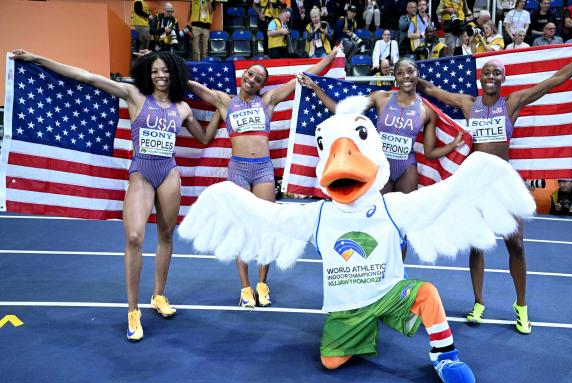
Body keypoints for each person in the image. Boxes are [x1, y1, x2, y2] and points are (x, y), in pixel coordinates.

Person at [10, 49, 220, 341]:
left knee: (166, 235)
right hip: (142, 173)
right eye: (155, 70)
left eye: (166, 71)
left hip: (169, 173)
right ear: (148, 72)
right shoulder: (134, 95)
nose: (160, 76)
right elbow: (86, 77)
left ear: (174, 73)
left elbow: (205, 138)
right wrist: (36, 60)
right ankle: (133, 310)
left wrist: (222, 109)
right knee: (134, 237)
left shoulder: (182, 108)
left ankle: (158, 296)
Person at [420, 42, 572, 334]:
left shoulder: (512, 103)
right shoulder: (467, 104)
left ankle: (521, 306)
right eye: (486, 72)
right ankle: (478, 303)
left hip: (503, 180)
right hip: (476, 181)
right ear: (480, 78)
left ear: (503, 78)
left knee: (517, 244)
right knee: (477, 244)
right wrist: (410, 78)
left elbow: (556, 79)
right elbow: (433, 91)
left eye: (496, 73)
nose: (490, 76)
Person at [187, 47, 342, 308]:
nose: (253, 80)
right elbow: (197, 88)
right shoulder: (226, 102)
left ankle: (262, 283)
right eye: (250, 74)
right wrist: (174, 69)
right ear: (243, 75)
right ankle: (245, 287)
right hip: (238, 168)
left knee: (267, 225)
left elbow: (301, 78)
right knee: (241, 228)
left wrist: (330, 57)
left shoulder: (267, 101)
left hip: (262, 169)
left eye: (258, 79)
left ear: (262, 84)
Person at [300, 57, 465, 196]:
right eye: (400, 73)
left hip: (407, 170)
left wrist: (452, 145)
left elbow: (430, 153)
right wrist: (315, 88)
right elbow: (341, 111)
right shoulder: (381, 98)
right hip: (379, 165)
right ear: (395, 78)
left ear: (417, 74)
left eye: (410, 71)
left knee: (403, 217)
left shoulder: (427, 111)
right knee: (380, 213)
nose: (406, 76)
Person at [333, 5, 360, 72]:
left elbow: (354, 34)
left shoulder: (354, 22)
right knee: (349, 43)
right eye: (351, 11)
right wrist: (347, 35)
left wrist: (352, 35)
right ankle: (341, 60)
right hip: (338, 39)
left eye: (354, 12)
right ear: (347, 12)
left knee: (356, 45)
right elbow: (336, 32)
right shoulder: (342, 19)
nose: (352, 13)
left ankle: (347, 61)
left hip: (347, 39)